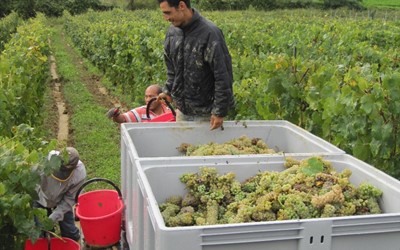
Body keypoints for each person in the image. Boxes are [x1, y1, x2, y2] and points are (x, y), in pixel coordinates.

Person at [157, 0, 235, 130]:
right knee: (183, 148)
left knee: (204, 149)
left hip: (207, 115)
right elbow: (172, 69)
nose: (166, 18)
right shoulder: (172, 32)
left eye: (168, 12)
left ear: (181, 6)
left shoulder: (210, 33)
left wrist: (219, 111)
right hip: (182, 111)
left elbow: (223, 75)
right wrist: (168, 89)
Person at [35, 147, 86, 241]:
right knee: (42, 233)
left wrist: (54, 216)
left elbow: (69, 199)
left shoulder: (79, 173)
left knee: (70, 234)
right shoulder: (45, 160)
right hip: (40, 196)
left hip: (60, 199)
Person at [107, 84, 173, 123]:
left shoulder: (169, 112)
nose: (148, 100)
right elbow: (123, 118)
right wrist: (116, 115)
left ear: (160, 97)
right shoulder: (141, 112)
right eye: (146, 97)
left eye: (151, 96)